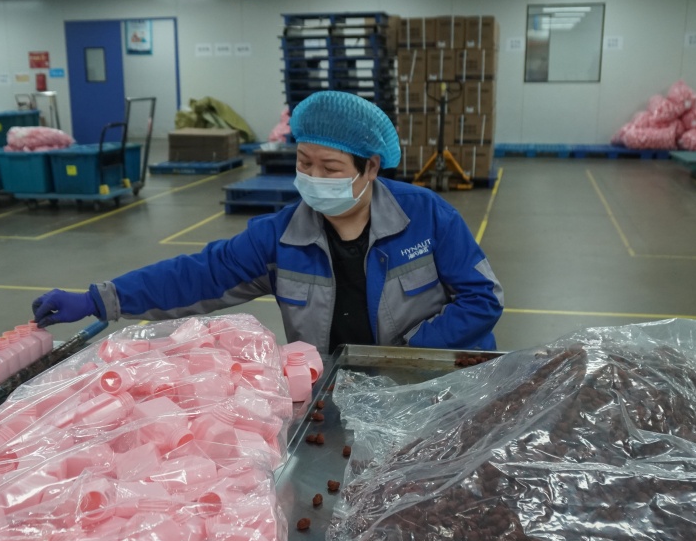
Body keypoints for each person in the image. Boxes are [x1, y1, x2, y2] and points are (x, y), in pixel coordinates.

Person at [31, 91, 503, 354]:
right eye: (304, 162)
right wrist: (99, 299)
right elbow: (197, 276)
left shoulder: (426, 216)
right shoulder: (281, 237)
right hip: (336, 385)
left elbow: (483, 299)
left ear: (371, 168)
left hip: (431, 385)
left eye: (331, 168)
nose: (314, 177)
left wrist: (408, 354)